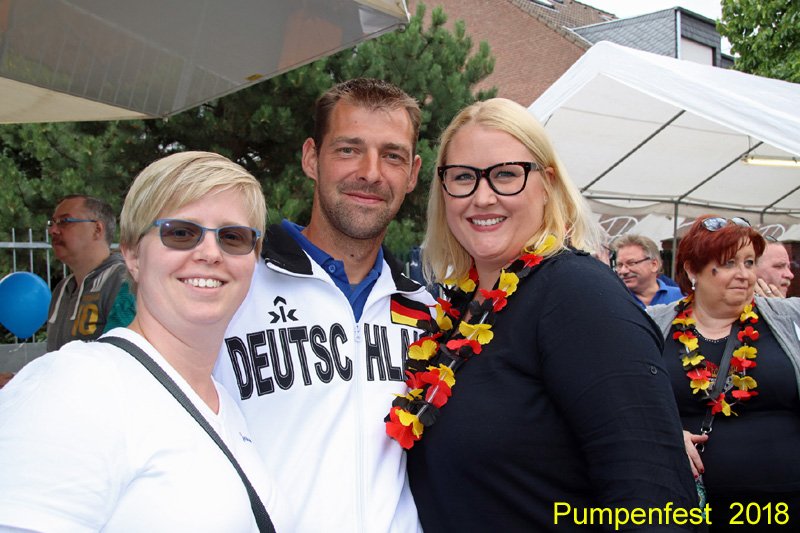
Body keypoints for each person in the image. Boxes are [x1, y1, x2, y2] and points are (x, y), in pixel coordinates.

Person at [398, 98, 698, 531]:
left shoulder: (578, 294)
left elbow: (653, 495)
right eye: (463, 177)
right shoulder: (462, 308)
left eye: (506, 174)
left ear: (548, 184)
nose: (483, 197)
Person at [0, 151, 285, 531]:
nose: (210, 253)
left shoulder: (223, 402)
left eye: (233, 237)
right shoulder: (78, 386)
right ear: (132, 255)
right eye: (181, 232)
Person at [213, 78, 433, 532]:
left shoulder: (427, 312)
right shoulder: (235, 288)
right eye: (349, 149)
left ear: (412, 174)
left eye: (392, 156)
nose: (371, 173)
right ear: (311, 158)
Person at [648, 215, 800, 531]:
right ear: (693, 270)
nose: (744, 274)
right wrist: (662, 433)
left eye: (749, 262)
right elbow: (621, 401)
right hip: (686, 509)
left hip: (787, 505)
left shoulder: (790, 318)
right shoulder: (652, 325)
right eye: (729, 263)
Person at [45, 194, 131, 350]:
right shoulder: (63, 288)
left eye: (64, 221)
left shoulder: (123, 282)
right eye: (52, 223)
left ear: (97, 229)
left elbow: (127, 353)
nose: (53, 230)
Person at [611, 233, 683, 307]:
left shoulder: (681, 298)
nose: (623, 271)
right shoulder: (613, 301)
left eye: (631, 263)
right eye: (620, 265)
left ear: (654, 265)